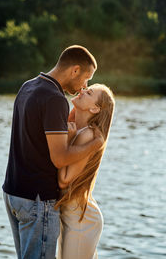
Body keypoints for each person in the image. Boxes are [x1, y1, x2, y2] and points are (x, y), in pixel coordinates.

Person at [2, 45, 102, 259]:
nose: (84, 86)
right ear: (74, 70)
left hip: (13, 193)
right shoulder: (55, 99)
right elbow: (60, 159)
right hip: (37, 200)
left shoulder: (28, 86)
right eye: (86, 78)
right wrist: (93, 146)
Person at [56, 84, 115, 259]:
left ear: (95, 108)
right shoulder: (79, 128)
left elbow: (64, 180)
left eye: (88, 93)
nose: (82, 91)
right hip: (73, 215)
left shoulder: (87, 135)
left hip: (81, 220)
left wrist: (67, 140)